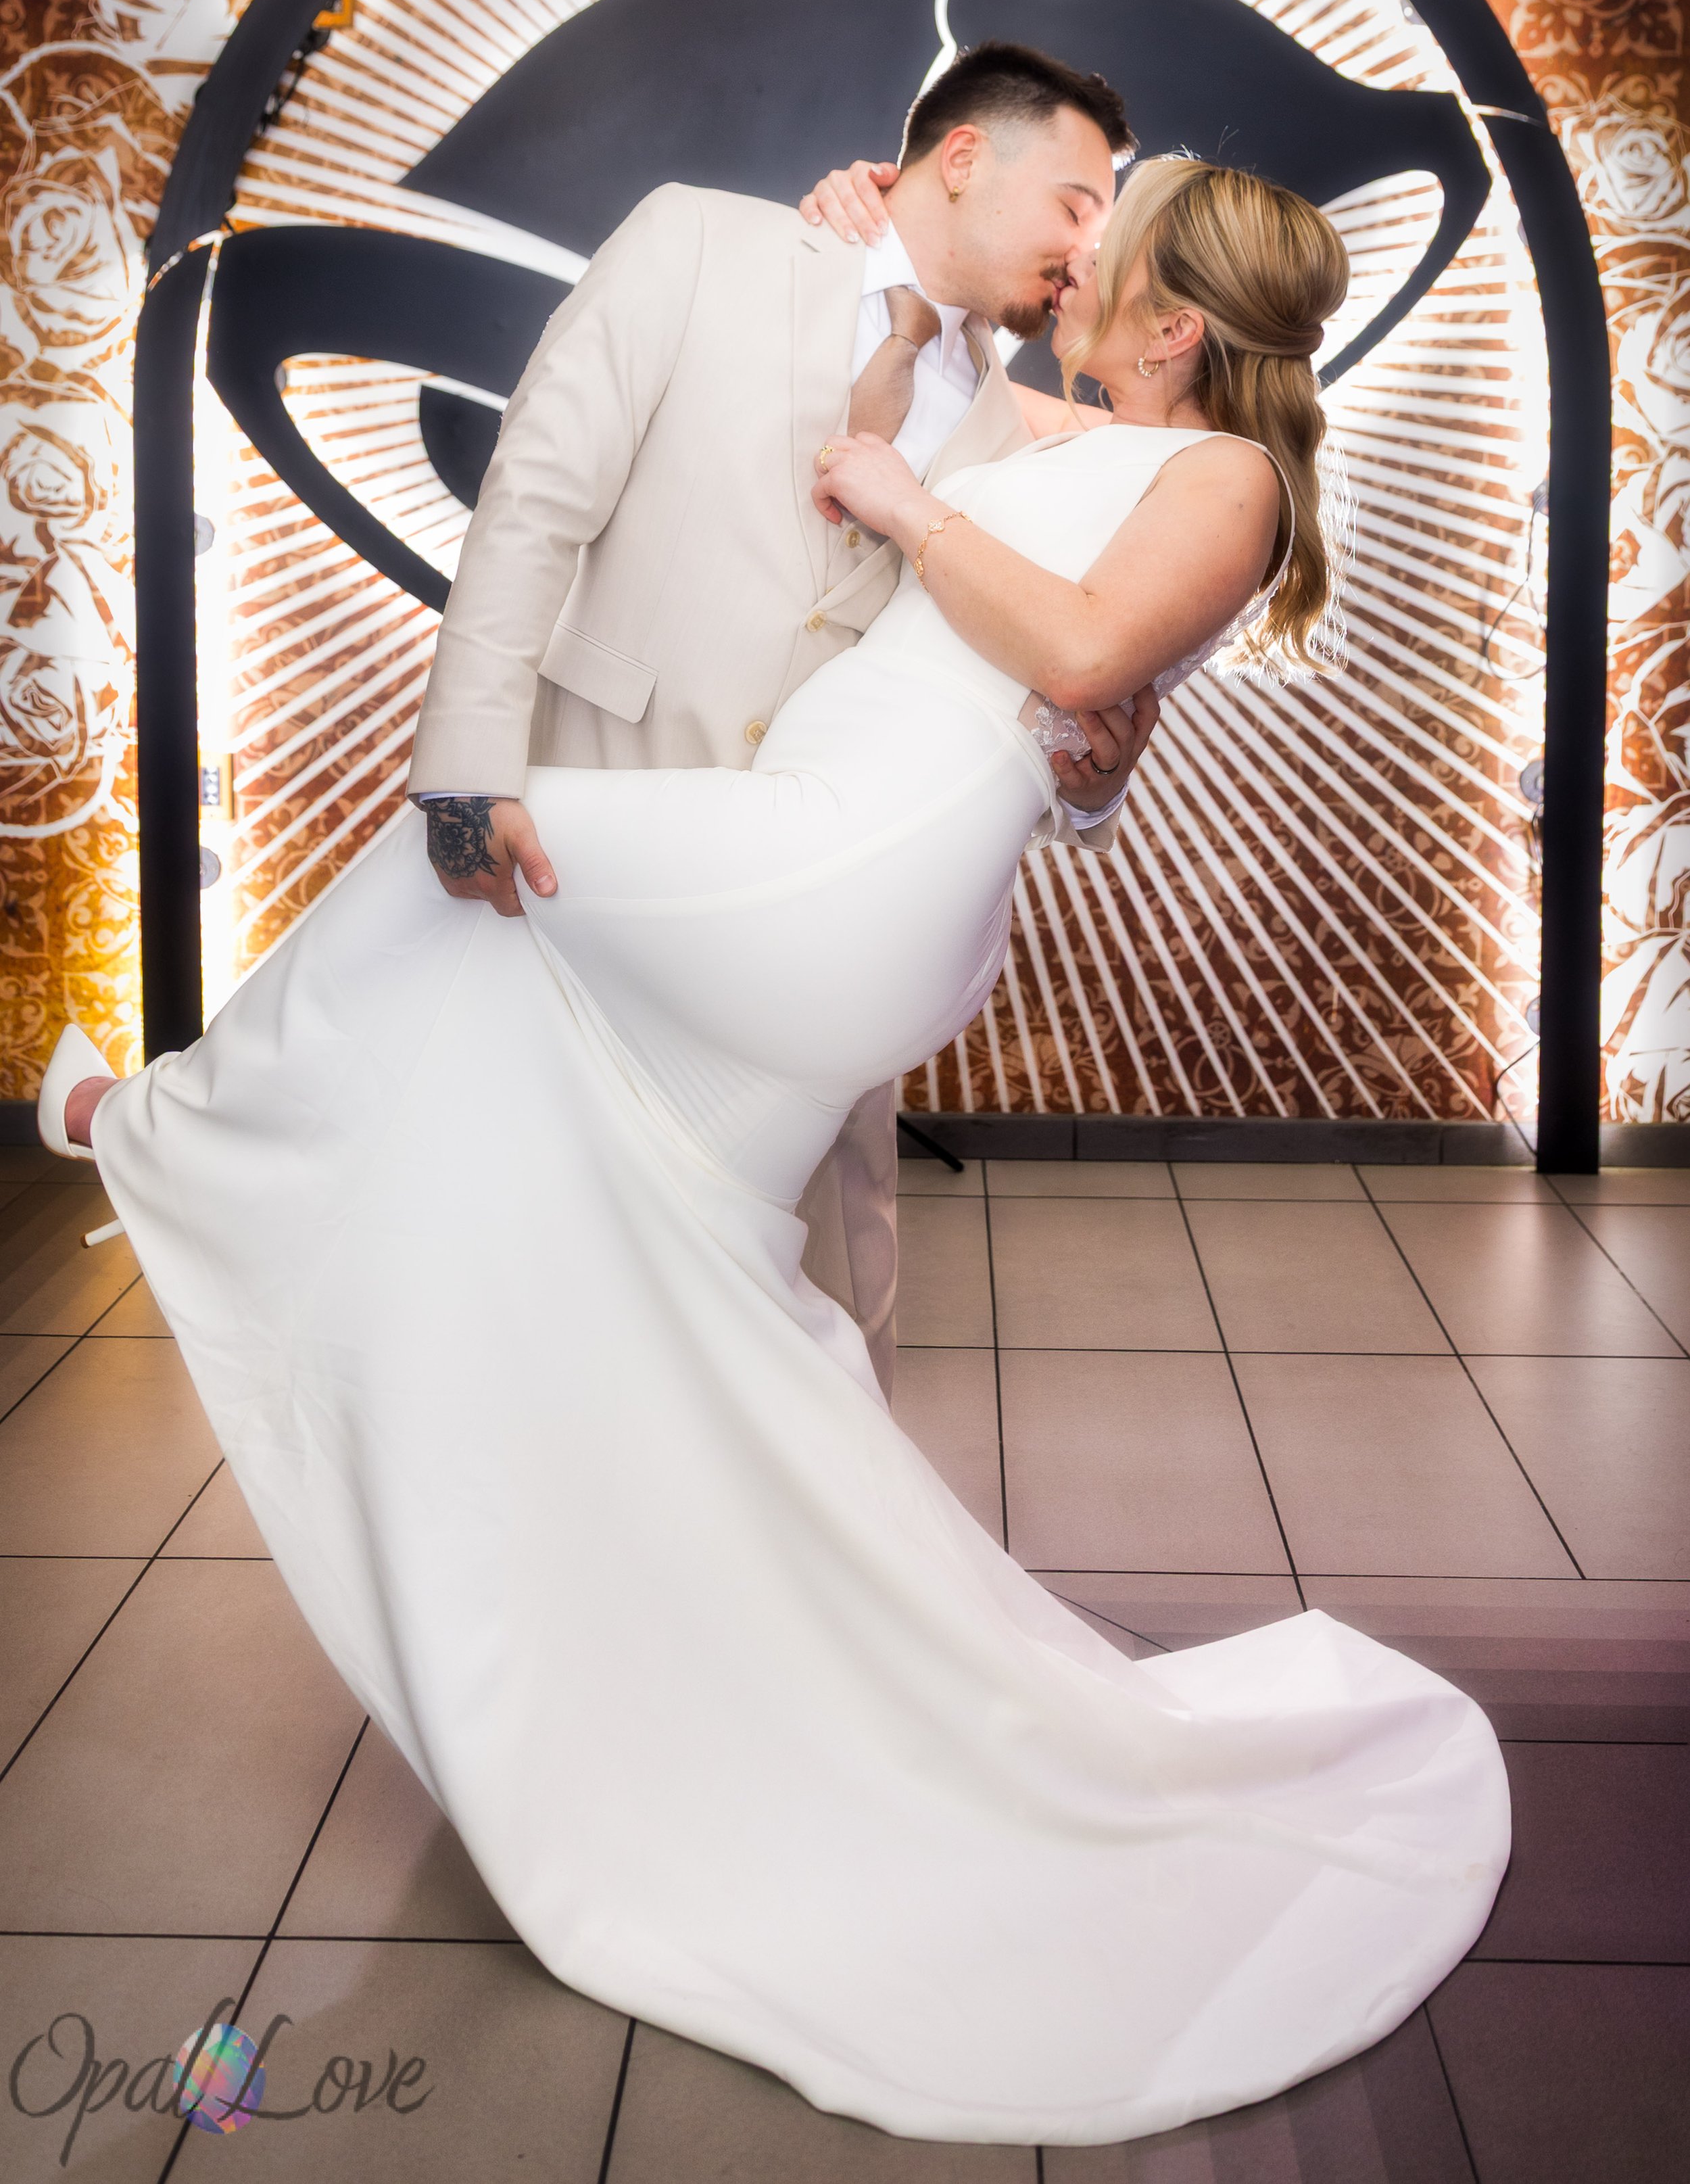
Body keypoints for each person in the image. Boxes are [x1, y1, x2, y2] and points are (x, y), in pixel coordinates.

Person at [39, 154, 1509, 2150]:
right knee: (667, 1258)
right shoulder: (1057, 418)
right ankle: (677, 1691)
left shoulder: (1227, 478)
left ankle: (165, 1129)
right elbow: (891, 437)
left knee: (462, 854)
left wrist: (913, 510)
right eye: (1073, 205)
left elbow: (1079, 667)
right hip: (827, 824)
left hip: (852, 869)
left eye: (1115, 232)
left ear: (1178, 321)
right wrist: (876, 274)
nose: (1078, 251)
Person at [408, 41, 1149, 1406]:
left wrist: (1090, 784)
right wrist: (463, 768)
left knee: (821, 1295)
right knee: (553, 1251)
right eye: (1076, 198)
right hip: (599, 843)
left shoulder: (1025, 430)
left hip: (823, 920)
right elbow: (535, 498)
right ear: (963, 156)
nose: (1089, 240)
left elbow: (1030, 688)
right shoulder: (700, 242)